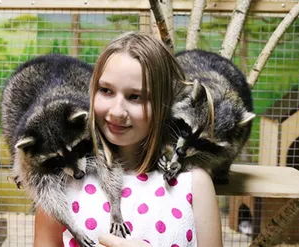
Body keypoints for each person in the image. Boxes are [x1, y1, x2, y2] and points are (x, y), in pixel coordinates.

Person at [34, 32, 223, 247]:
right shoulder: (60, 180)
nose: (117, 111)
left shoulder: (192, 184)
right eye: (106, 90)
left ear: (163, 103)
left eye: (135, 97)